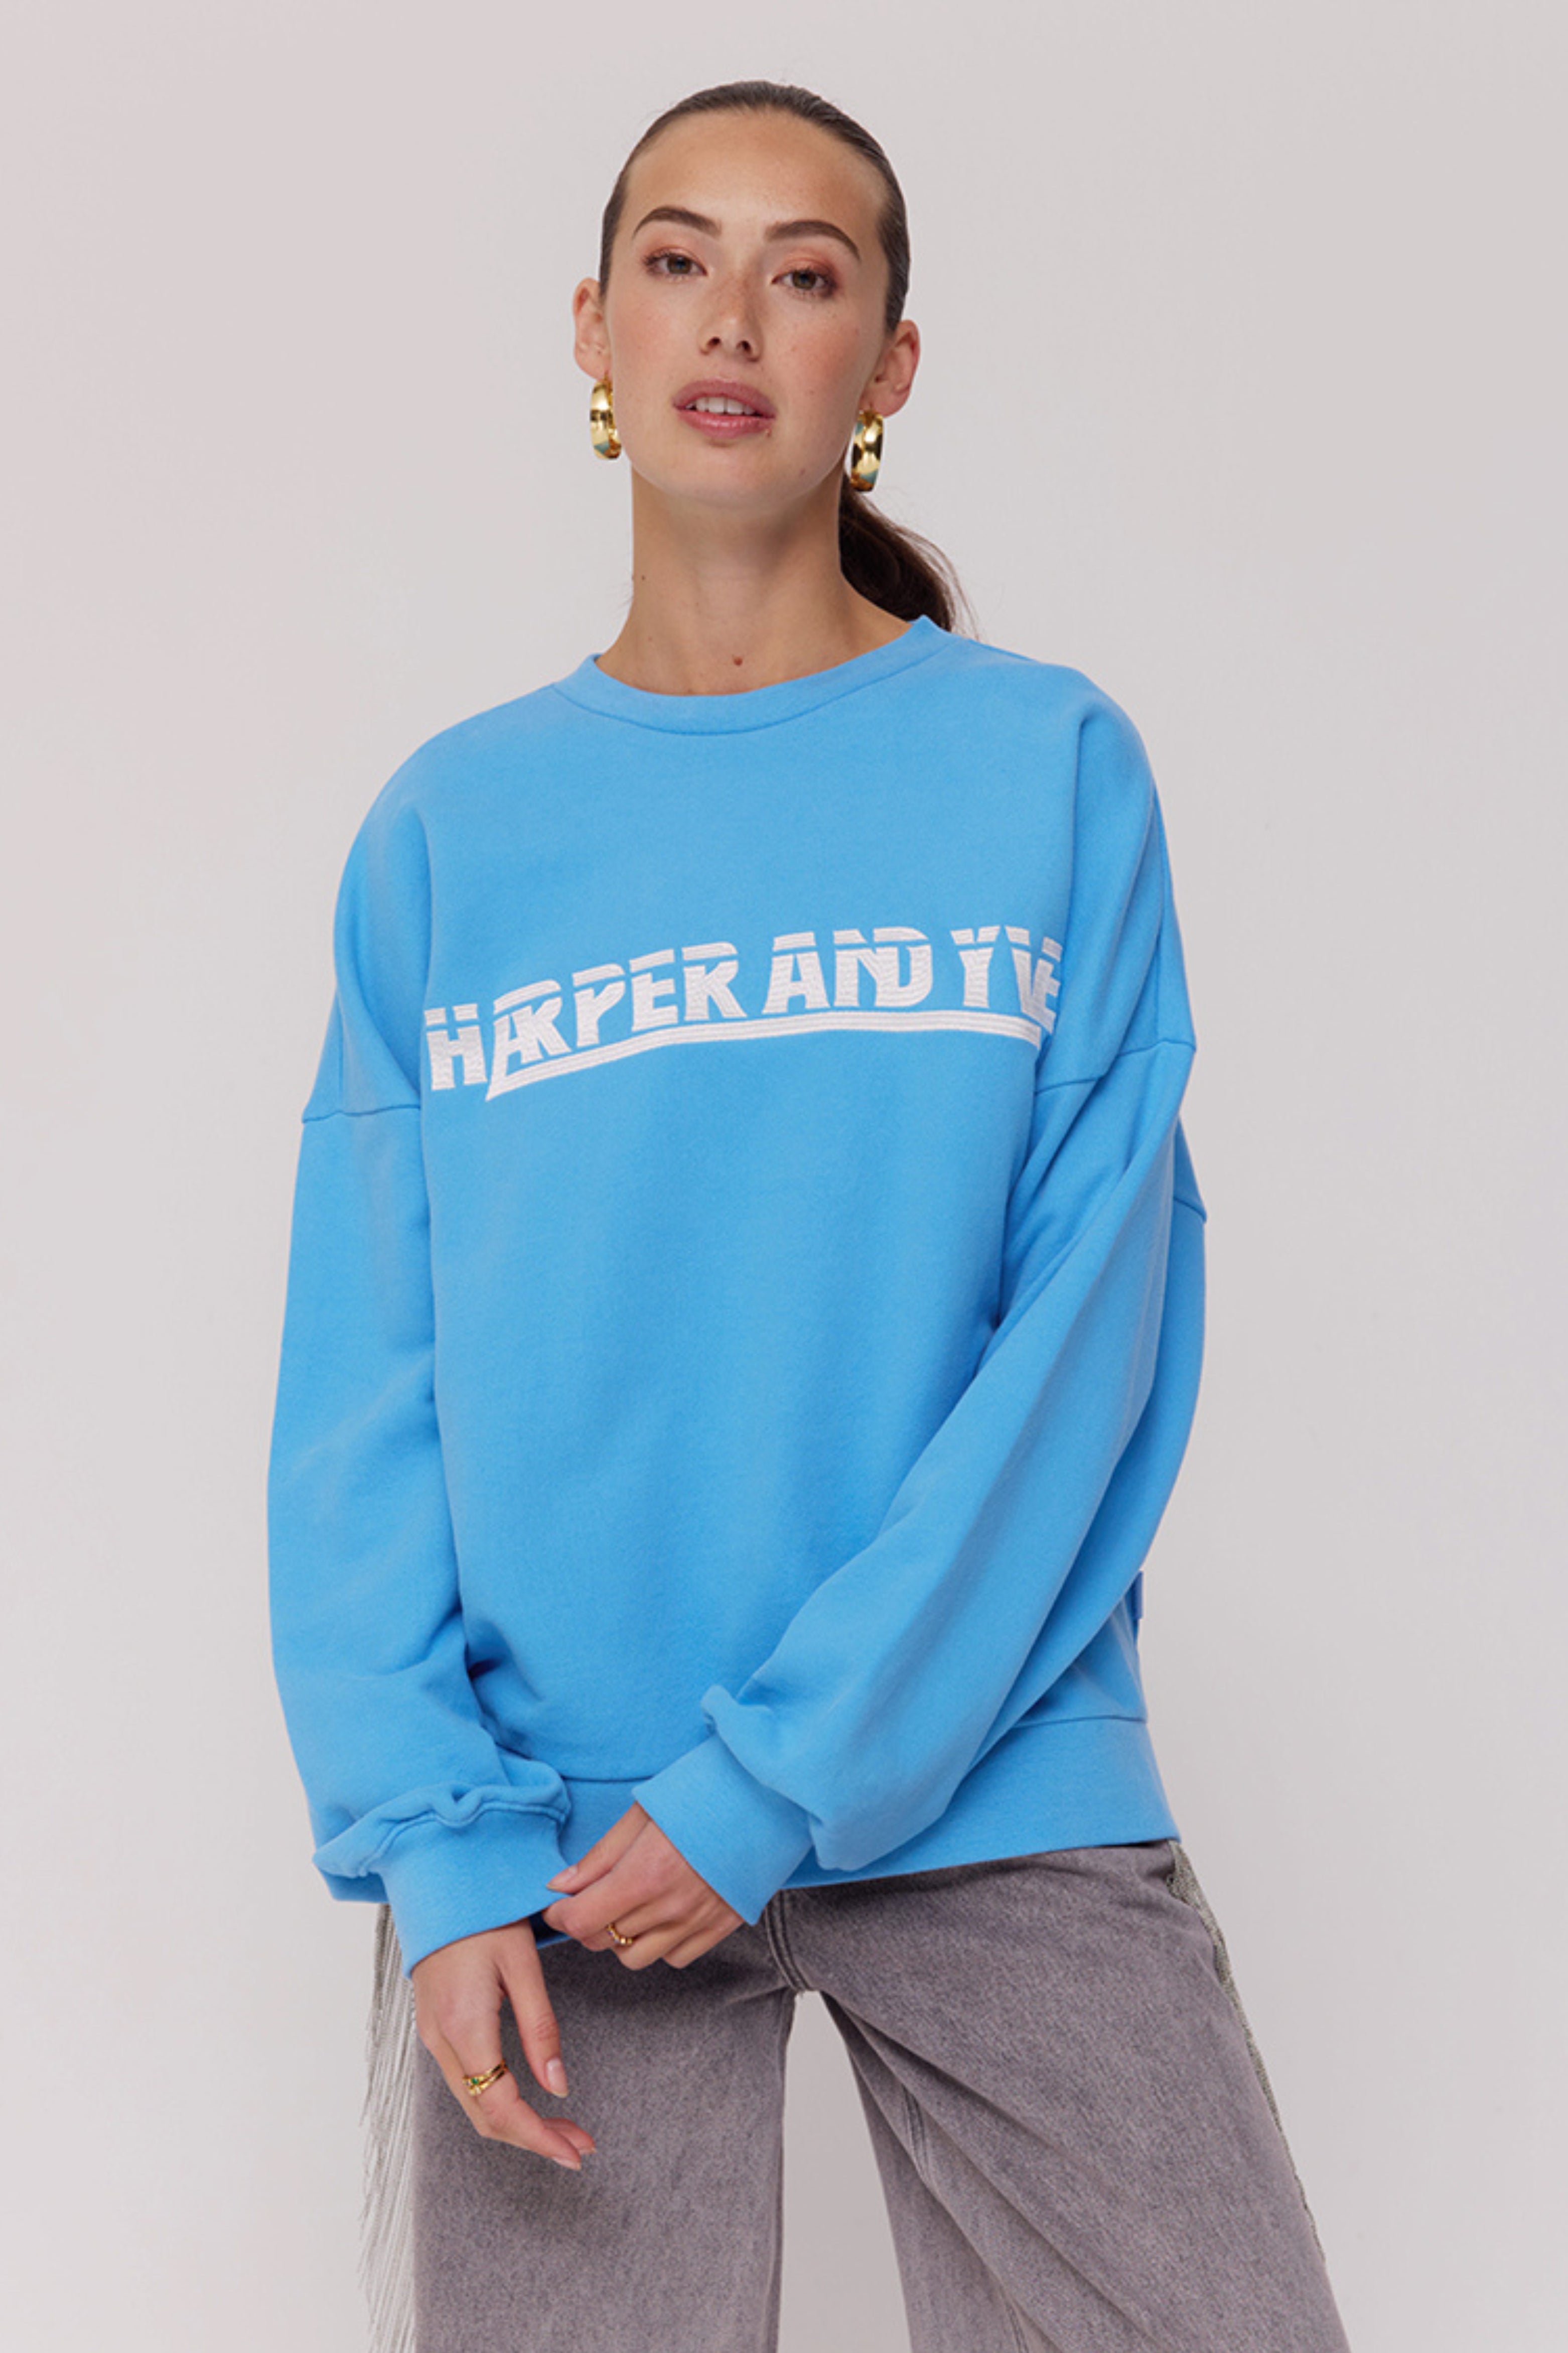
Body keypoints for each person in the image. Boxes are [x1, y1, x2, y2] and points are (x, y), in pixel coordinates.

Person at [266, 75, 1355, 2353]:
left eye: (806, 269)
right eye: (676, 260)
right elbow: (369, 1378)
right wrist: (436, 1845)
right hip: (559, 1838)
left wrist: (781, 1774)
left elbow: (1090, 1326)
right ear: (593, 329)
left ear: (890, 360)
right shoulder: (453, 832)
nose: (732, 316)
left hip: (989, 1776)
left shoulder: (1045, 766)